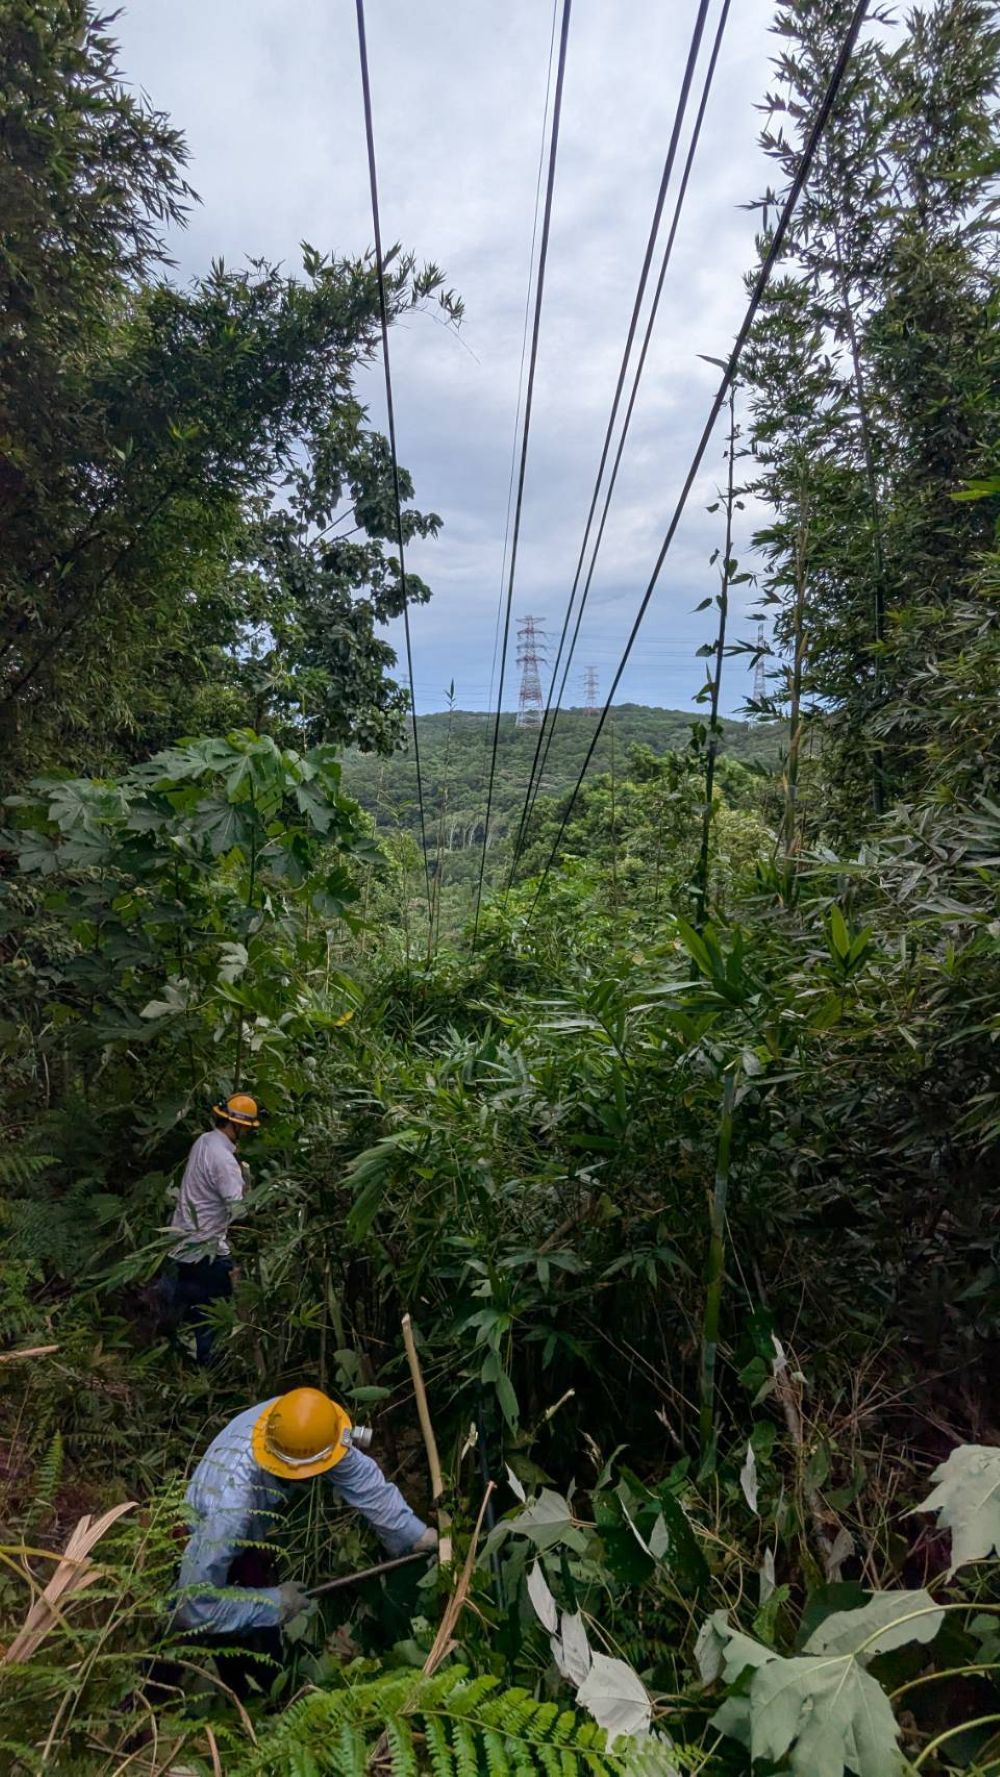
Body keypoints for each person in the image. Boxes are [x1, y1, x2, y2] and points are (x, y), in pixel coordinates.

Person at [173, 1387, 436, 1696]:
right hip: (201, 1544)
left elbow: (359, 1476)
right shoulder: (231, 1509)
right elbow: (193, 1606)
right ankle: (239, 1708)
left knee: (259, 1639)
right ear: (294, 1468)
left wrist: (414, 1534)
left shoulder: (303, 1426)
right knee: (223, 1645)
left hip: (248, 1536)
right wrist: (274, 1604)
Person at [162, 1093, 260, 1365]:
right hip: (207, 1250)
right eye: (247, 1129)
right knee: (214, 1314)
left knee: (185, 1307)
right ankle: (211, 1368)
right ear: (237, 1126)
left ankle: (175, 1358)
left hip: (182, 1244)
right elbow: (239, 1209)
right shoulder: (225, 1160)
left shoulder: (204, 1141)